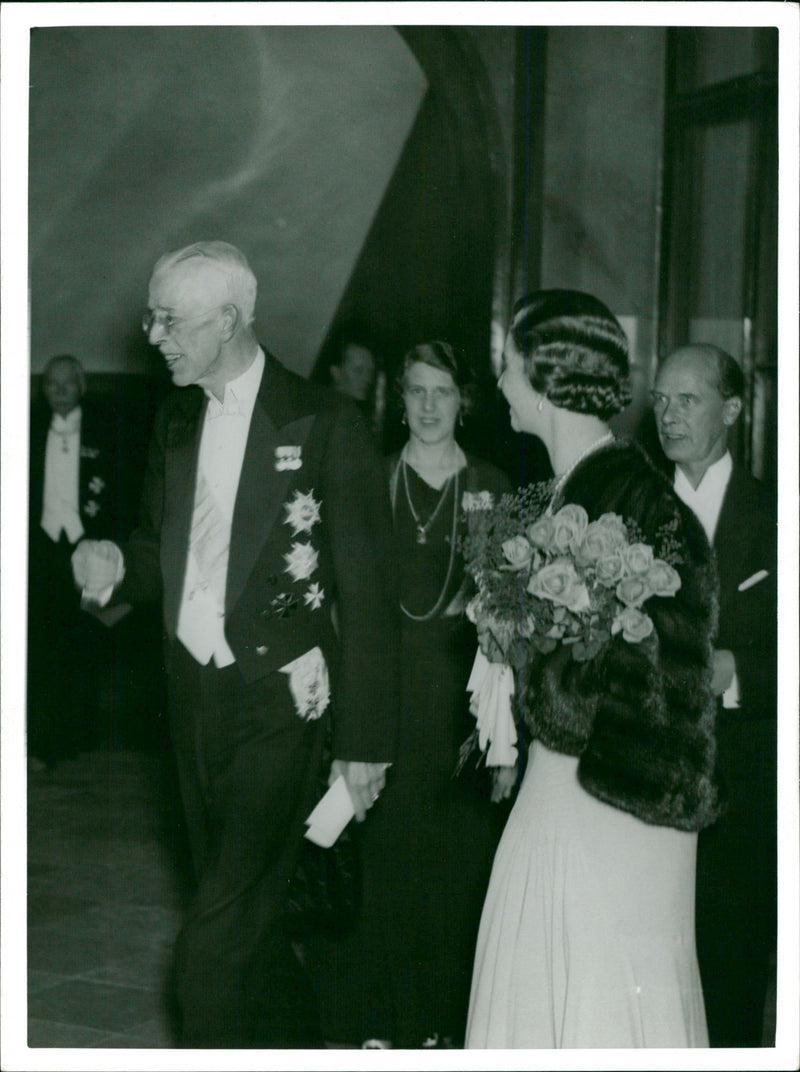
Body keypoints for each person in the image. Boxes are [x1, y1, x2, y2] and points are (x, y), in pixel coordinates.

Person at [72, 241, 400, 1048]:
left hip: (281, 703)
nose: (153, 335)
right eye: (152, 316)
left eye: (169, 319)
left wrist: (364, 743)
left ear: (228, 321)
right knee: (246, 913)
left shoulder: (324, 423)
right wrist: (117, 562)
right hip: (192, 697)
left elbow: (365, 594)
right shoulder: (177, 416)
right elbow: (160, 553)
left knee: (210, 940)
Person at [466, 290, 720, 1049]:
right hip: (571, 787)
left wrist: (529, 651)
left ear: (547, 378)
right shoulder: (567, 494)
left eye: (508, 368)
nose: (502, 385)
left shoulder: (643, 507)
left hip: (616, 799)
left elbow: (660, 685)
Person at [309, 341, 513, 1048]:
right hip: (380, 690)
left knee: (454, 866)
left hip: (459, 699)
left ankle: (438, 1027)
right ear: (400, 399)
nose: (429, 406)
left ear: (465, 401)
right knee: (382, 858)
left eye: (443, 393)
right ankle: (374, 1026)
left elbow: (510, 616)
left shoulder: (491, 484)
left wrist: (504, 734)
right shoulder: (369, 478)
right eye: (417, 391)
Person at [652, 343, 777, 1047]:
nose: (669, 416)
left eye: (688, 400)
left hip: (745, 793)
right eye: (661, 401)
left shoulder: (777, 512)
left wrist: (740, 673)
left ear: (732, 409)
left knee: (729, 978)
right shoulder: (632, 506)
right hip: (642, 783)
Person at [27, 354, 118, 768]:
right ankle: (42, 743)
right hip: (41, 548)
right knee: (39, 646)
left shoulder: (107, 426)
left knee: (81, 641)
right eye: (51, 384)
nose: (60, 390)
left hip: (87, 546)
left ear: (82, 385)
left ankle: (78, 738)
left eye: (68, 383)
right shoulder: (25, 426)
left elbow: (121, 490)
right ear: (43, 389)